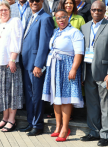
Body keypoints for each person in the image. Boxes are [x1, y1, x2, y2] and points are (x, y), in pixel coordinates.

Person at [79, 1, 108, 146]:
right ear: (90, 11)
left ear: (105, 11)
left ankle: (106, 134)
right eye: (94, 10)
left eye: (99, 10)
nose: (96, 12)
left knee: (106, 104)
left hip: (104, 72)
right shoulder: (84, 27)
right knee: (92, 103)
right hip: (88, 70)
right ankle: (94, 131)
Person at [42, 9, 84, 142]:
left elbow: (79, 53)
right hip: (54, 66)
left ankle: (65, 128)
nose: (61, 20)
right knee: (56, 97)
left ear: (68, 18)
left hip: (67, 66)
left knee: (65, 98)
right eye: (58, 18)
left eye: (63, 17)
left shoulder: (75, 32)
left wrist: (74, 69)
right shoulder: (55, 32)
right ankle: (58, 126)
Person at [20, 0, 54, 136]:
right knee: (29, 95)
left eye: (37, 0)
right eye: (32, 0)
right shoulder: (30, 17)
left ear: (42, 2)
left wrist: (39, 65)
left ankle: (38, 125)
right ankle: (31, 122)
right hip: (26, 63)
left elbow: (44, 44)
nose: (34, 2)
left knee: (36, 95)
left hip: (35, 65)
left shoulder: (45, 18)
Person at [0, 1, 24, 132]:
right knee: (1, 92)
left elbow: (17, 41)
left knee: (12, 92)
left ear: (9, 10)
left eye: (5, 9)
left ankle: (12, 120)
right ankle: (4, 118)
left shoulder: (15, 21)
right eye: (1, 10)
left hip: (9, 62)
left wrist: (13, 59)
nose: (3, 12)